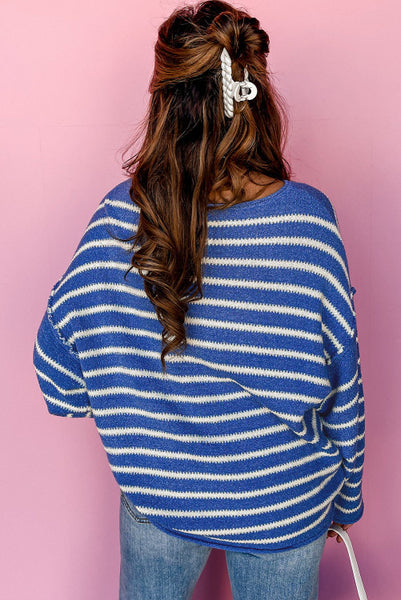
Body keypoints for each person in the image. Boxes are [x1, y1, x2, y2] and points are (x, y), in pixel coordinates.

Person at [32, 1, 365, 598]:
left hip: (159, 498)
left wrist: (131, 403)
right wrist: (348, 496)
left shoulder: (119, 219)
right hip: (282, 502)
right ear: (255, 93)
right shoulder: (308, 223)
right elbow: (344, 377)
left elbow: (57, 373)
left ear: (163, 101)